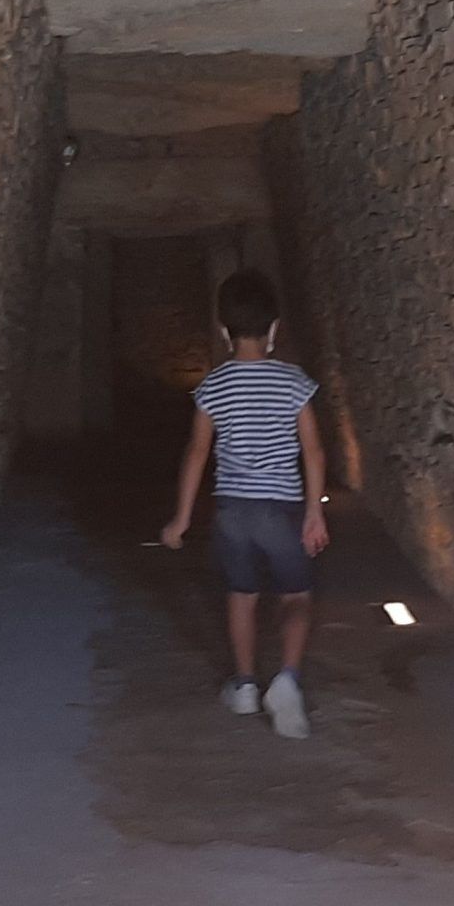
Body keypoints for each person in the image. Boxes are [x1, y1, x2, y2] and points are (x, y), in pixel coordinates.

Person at [160, 270, 329, 739]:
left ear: (222, 332)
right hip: (282, 508)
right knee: (296, 595)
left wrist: (182, 518)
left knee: (242, 596)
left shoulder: (213, 387)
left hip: (234, 509)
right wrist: (314, 511)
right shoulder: (295, 382)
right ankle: (288, 682)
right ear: (274, 329)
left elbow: (197, 452)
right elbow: (313, 450)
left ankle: (246, 685)